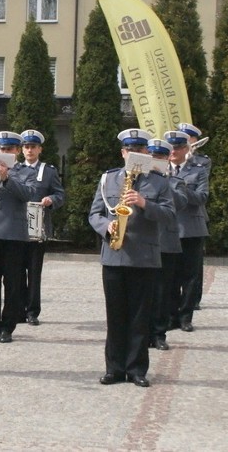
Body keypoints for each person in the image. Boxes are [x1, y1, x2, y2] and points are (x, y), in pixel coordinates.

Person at [89, 129, 175, 388]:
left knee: (140, 316)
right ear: (123, 153)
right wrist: (106, 227)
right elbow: (94, 213)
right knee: (115, 316)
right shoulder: (108, 180)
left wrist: (144, 203)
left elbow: (170, 216)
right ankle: (114, 368)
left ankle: (137, 369)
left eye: (141, 150)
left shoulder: (158, 182)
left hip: (143, 257)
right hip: (114, 255)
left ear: (147, 153)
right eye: (130, 150)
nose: (136, 154)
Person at [0, 131, 36, 344]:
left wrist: (7, 178)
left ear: (17, 151)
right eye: (2, 149)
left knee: (13, 284)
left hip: (14, 234)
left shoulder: (25, 172)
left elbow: (29, 194)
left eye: (10, 150)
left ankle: (8, 326)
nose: (5, 153)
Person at [18, 129, 65, 326]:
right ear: (22, 149)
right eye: (26, 147)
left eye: (33, 147)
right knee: (16, 272)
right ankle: (18, 308)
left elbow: (60, 194)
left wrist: (51, 199)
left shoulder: (49, 171)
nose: (29, 150)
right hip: (17, 228)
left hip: (38, 228)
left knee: (34, 271)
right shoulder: (14, 170)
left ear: (40, 149)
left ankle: (32, 311)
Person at [165, 129, 209, 332]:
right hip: (168, 228)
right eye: (171, 148)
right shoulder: (161, 169)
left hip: (191, 228)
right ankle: (171, 315)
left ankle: (186, 316)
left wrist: (182, 190)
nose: (173, 152)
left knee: (190, 276)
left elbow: (202, 197)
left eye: (177, 148)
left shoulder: (197, 169)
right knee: (170, 275)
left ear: (186, 149)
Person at [146, 138, 187, 351]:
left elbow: (181, 202)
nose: (156, 160)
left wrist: (164, 181)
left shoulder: (175, 180)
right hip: (144, 243)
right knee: (144, 292)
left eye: (160, 157)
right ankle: (142, 333)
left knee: (163, 293)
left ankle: (159, 334)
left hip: (167, 244)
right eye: (153, 157)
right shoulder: (139, 180)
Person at [178, 122, 211, 310]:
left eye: (187, 139)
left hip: (193, 216)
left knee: (193, 267)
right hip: (172, 218)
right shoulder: (169, 157)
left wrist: (188, 159)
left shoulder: (202, 161)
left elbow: (201, 189)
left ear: (194, 140)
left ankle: (192, 301)